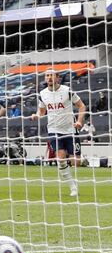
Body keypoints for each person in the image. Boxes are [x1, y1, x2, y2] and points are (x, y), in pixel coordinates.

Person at [31, 69, 86, 197]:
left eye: (52, 75)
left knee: (76, 162)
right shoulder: (42, 94)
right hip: (54, 130)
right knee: (60, 158)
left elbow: (82, 106)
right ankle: (73, 187)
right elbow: (42, 111)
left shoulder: (67, 90)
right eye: (47, 76)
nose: (49, 78)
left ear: (58, 78)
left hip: (70, 130)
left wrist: (79, 121)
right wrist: (37, 115)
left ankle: (72, 166)